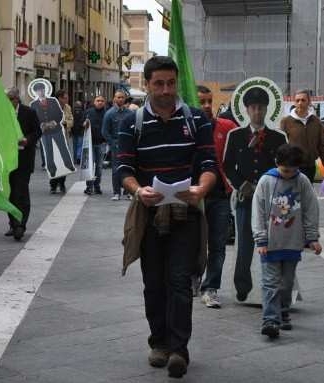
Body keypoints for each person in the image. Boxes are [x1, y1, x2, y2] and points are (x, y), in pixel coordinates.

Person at [118, 56, 217, 378]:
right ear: (146, 84)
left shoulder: (197, 119)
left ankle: (179, 350)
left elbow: (208, 164)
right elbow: (124, 168)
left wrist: (201, 190)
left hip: (185, 212)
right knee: (153, 284)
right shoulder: (131, 123)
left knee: (179, 282)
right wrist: (137, 190)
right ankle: (158, 342)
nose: (165, 90)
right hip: (150, 214)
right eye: (158, 83)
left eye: (170, 83)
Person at [223, 87, 288, 303]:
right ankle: (242, 286)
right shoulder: (236, 136)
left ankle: (274, 286)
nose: (257, 112)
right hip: (246, 198)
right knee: (244, 244)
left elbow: (285, 166)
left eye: (261, 108)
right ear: (247, 110)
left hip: (271, 200)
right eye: (253, 108)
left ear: (267, 109)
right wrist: (241, 185)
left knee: (273, 243)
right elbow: (227, 166)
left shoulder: (278, 137)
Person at [252, 143, 321, 338]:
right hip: (270, 244)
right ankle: (270, 320)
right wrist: (261, 240)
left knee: (287, 283)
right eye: (284, 170)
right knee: (270, 282)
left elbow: (311, 210)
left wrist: (312, 237)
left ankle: (283, 311)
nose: (288, 174)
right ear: (277, 163)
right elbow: (257, 212)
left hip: (292, 243)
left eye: (292, 171)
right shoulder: (266, 181)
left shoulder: (303, 182)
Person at [196, 85, 237, 308]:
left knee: (218, 244)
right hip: (193, 195)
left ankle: (210, 288)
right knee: (192, 242)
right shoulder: (186, 128)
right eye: (202, 101)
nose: (207, 106)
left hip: (220, 195)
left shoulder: (227, 126)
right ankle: (193, 279)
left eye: (209, 101)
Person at [5, 87, 41, 241]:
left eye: (10, 100)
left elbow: (37, 132)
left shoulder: (29, 112)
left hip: (24, 158)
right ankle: (13, 224)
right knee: (10, 193)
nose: (7, 103)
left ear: (16, 99)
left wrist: (27, 140)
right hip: (8, 159)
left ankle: (21, 225)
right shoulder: (2, 113)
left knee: (22, 192)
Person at [279, 90, 324, 181]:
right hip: (292, 168)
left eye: (303, 100)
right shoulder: (286, 121)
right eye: (297, 100)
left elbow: (323, 145)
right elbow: (281, 147)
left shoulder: (316, 121)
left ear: (309, 102)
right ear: (294, 102)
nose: (300, 103)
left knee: (307, 194)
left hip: (310, 167)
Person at [30, 82, 74, 183]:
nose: (41, 92)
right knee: (49, 152)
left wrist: (55, 122)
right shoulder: (33, 104)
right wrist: (42, 125)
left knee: (63, 148)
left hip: (57, 130)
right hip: (45, 133)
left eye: (42, 89)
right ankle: (52, 171)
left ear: (45, 90)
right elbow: (33, 118)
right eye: (38, 90)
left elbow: (59, 114)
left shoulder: (53, 101)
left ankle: (69, 165)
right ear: (36, 92)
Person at [102, 90, 134, 200]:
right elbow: (105, 131)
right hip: (116, 145)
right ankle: (116, 192)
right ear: (114, 99)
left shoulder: (130, 113)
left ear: (125, 99)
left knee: (128, 168)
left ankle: (128, 192)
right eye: (118, 97)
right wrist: (112, 144)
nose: (120, 99)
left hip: (128, 145)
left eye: (122, 97)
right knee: (116, 170)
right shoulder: (109, 113)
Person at [83, 96, 107, 195]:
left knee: (99, 166)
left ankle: (97, 186)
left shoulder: (107, 113)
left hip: (101, 143)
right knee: (89, 166)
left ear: (104, 103)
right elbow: (81, 123)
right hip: (89, 143)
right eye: (98, 101)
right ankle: (89, 187)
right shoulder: (88, 112)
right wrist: (84, 124)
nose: (100, 102)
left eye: (102, 101)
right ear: (94, 102)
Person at [51, 89, 73, 193]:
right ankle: (53, 185)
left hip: (64, 138)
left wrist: (65, 124)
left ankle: (62, 183)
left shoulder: (67, 107)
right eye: (65, 98)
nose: (67, 99)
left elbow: (71, 120)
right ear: (59, 98)